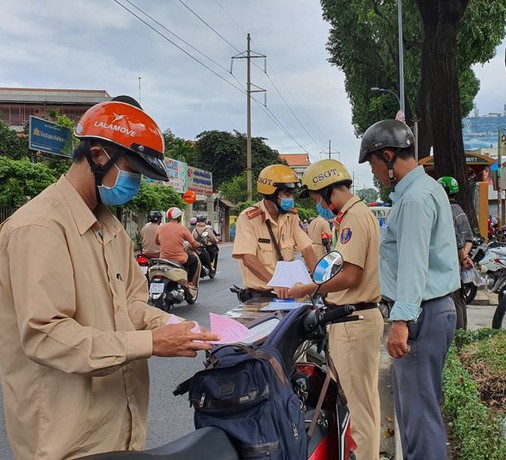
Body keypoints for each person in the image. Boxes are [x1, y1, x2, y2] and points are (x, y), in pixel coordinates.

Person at [0, 98, 218, 459]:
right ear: (99, 156)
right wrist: (149, 343)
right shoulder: (39, 228)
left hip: (119, 426)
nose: (135, 182)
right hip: (66, 437)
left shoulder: (110, 227)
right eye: (132, 169)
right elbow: (46, 335)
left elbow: (130, 304)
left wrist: (179, 329)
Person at [359, 119, 459, 460]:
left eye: (373, 164)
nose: (373, 172)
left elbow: (414, 264)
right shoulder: (420, 191)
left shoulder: (415, 199)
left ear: (388, 157)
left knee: (419, 419)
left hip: (421, 315)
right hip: (427, 311)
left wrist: (401, 321)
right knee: (414, 411)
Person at [288, 159, 384, 460]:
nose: (318, 205)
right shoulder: (353, 215)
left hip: (354, 321)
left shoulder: (354, 218)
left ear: (328, 190)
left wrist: (310, 289)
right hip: (355, 318)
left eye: (317, 198)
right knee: (363, 402)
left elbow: (351, 275)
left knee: (358, 405)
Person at [232, 164, 317, 299]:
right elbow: (248, 259)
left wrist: (319, 282)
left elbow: (307, 249)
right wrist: (276, 283)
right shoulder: (248, 219)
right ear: (271, 193)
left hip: (290, 295)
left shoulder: (291, 217)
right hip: (262, 296)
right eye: (286, 194)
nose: (291, 199)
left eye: (291, 194)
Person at [437, 176, 474, 330]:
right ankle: (461, 333)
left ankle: (456, 335)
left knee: (451, 302)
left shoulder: (445, 211)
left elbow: (456, 239)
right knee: (459, 301)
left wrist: (461, 256)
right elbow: (469, 239)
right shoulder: (460, 211)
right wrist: (464, 257)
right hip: (457, 266)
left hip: (447, 266)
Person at [156, 207, 202, 284]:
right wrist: (199, 244)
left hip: (164, 258)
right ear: (179, 217)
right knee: (194, 260)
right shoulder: (182, 229)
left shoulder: (160, 228)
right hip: (179, 258)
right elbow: (193, 243)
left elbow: (157, 242)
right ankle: (189, 282)